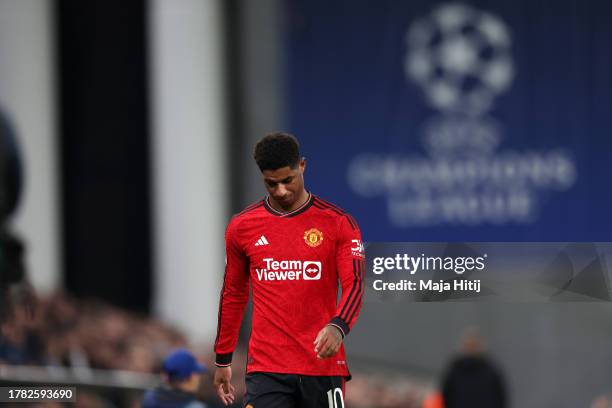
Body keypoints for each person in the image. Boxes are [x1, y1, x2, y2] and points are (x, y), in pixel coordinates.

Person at [213, 133, 365, 407]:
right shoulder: (242, 227)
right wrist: (223, 357)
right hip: (266, 368)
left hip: (321, 366)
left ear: (302, 166)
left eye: (288, 181)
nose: (281, 191)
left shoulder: (338, 223)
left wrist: (338, 326)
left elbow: (355, 283)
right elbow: (234, 293)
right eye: (272, 184)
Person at [441, 328, 507, 408]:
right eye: (469, 345)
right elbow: (446, 397)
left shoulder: (491, 372)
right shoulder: (454, 371)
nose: (472, 348)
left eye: (474, 345)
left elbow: (500, 398)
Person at [142, 349, 207, 408]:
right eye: (196, 373)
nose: (198, 378)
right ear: (187, 378)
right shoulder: (195, 406)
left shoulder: (149, 398)